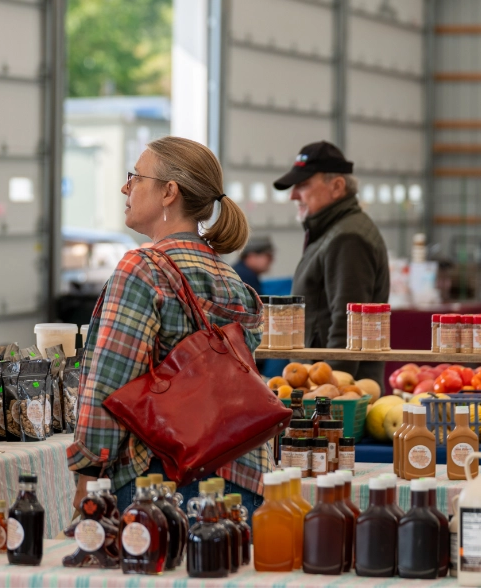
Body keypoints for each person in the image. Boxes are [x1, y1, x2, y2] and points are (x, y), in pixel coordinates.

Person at [67, 137, 267, 516]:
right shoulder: (231, 279)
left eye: (136, 177)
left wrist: (89, 475)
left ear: (169, 192)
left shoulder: (142, 269)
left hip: (163, 483)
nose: (126, 187)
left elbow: (108, 383)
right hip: (244, 479)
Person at [273, 141, 388, 387]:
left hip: (339, 390)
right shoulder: (332, 231)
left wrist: (331, 393)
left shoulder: (348, 237)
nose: (293, 195)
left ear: (336, 187)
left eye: (302, 185)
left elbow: (347, 323)